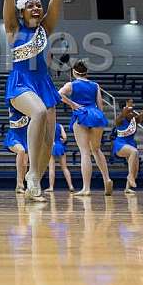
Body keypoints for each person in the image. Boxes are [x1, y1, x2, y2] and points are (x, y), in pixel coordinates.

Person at [0, 0, 74, 203]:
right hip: (21, 82)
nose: (37, 7)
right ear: (22, 10)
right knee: (38, 111)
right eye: (31, 4)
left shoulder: (46, 27)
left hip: (44, 83)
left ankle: (35, 184)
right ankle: (31, 174)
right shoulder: (13, 28)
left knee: (49, 142)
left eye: (38, 5)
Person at [59, 61, 112, 196]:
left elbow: (59, 95)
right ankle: (107, 178)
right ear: (86, 72)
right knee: (97, 149)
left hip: (81, 114)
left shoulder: (71, 84)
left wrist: (72, 104)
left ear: (74, 72)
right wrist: (99, 116)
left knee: (84, 152)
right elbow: (100, 105)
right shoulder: (95, 85)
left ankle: (86, 188)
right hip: (96, 115)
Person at [112, 98, 143, 195]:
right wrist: (127, 107)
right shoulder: (119, 119)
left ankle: (127, 188)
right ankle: (130, 176)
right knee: (134, 152)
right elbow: (124, 114)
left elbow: (142, 115)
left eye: (132, 109)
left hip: (131, 143)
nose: (131, 111)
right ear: (123, 109)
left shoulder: (134, 119)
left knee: (135, 169)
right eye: (129, 109)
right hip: (120, 144)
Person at [3, 112, 30, 194]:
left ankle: (20, 185)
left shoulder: (29, 110)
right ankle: (19, 183)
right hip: (14, 136)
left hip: (25, 138)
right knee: (21, 150)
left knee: (25, 164)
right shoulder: (13, 108)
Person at [47, 121, 74, 193]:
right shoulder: (60, 125)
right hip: (60, 146)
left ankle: (51, 187)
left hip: (51, 146)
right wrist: (61, 141)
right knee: (64, 167)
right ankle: (71, 186)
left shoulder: (46, 126)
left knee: (51, 168)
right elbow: (65, 137)